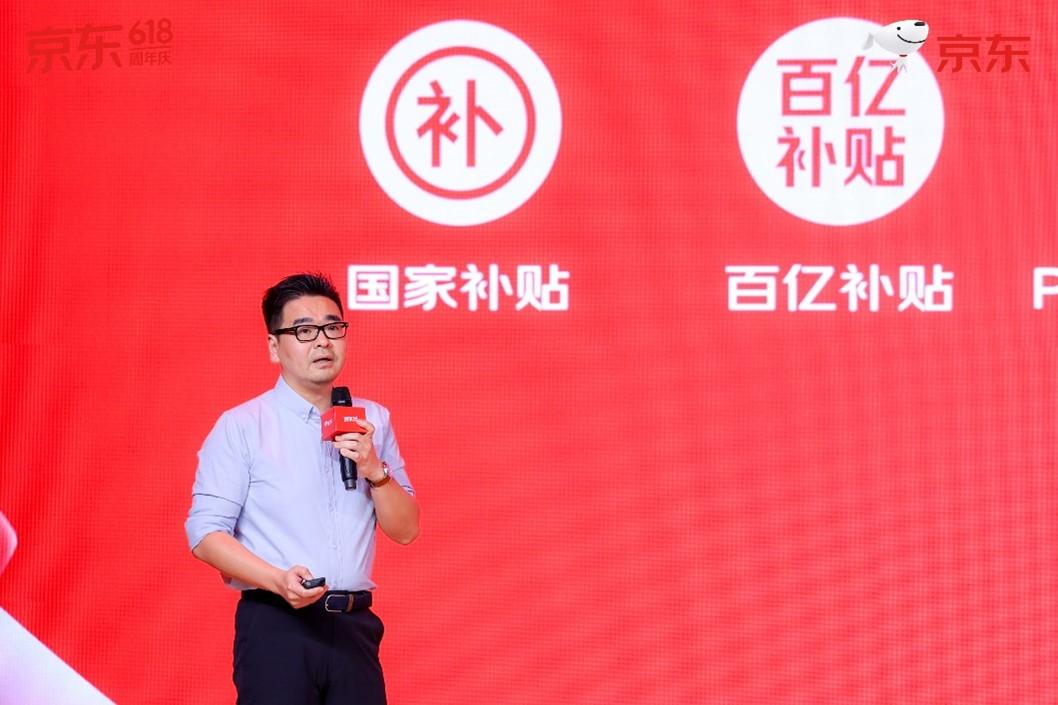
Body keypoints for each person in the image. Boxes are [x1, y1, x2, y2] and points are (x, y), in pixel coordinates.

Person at [185, 272, 419, 705]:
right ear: (275, 347)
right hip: (277, 627)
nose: (323, 342)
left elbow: (406, 530)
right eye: (305, 331)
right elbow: (205, 534)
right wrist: (277, 579)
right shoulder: (243, 426)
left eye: (333, 328)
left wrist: (374, 469)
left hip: (354, 629)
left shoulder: (373, 421)